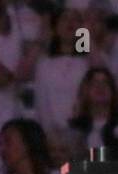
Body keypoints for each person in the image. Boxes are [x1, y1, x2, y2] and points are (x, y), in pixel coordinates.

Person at [31, 5, 91, 146]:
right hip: (52, 137)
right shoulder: (44, 64)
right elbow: (42, 102)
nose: (70, 23)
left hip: (83, 135)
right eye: (64, 18)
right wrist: (50, 134)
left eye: (75, 19)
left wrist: (87, 36)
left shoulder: (87, 62)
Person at [62, 66, 118, 159]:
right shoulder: (74, 129)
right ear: (85, 91)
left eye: (105, 83)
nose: (100, 87)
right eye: (94, 83)